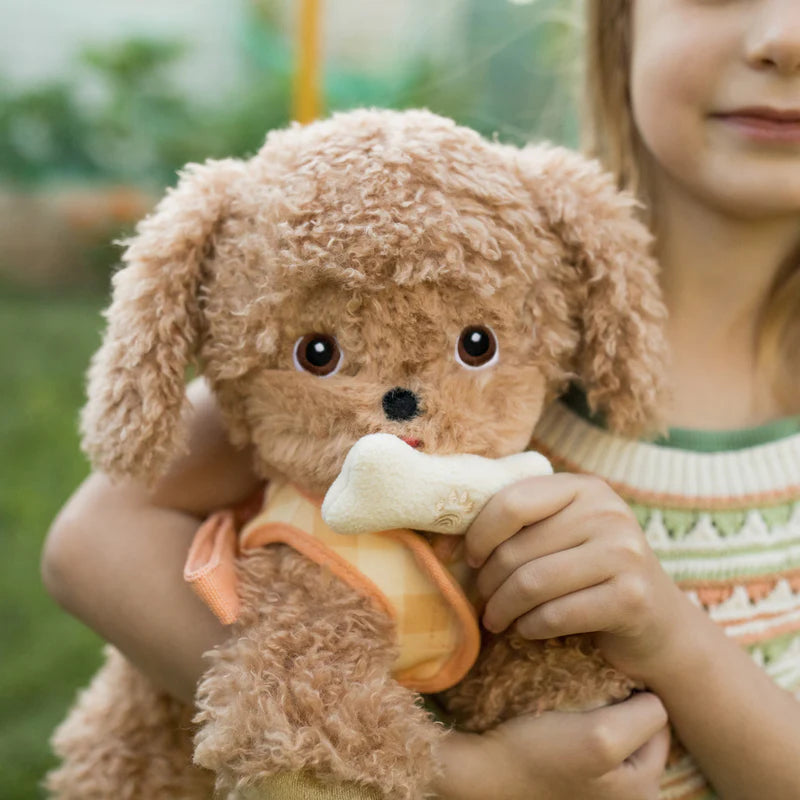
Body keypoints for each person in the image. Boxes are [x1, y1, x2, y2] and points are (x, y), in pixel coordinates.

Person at [42, 1, 800, 797]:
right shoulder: (473, 279)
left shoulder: (507, 309)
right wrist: (460, 775)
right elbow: (90, 541)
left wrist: (670, 640)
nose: (785, 39)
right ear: (620, 21)